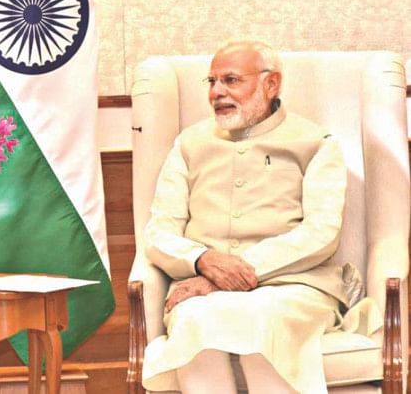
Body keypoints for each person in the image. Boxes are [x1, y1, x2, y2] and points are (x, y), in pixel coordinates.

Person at [141, 40, 349, 394]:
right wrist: (203, 261)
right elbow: (160, 230)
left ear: (271, 84)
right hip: (201, 286)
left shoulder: (316, 143)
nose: (217, 92)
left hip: (292, 286)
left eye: (231, 80)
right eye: (212, 82)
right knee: (194, 319)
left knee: (260, 321)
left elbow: (321, 233)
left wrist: (233, 273)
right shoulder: (188, 144)